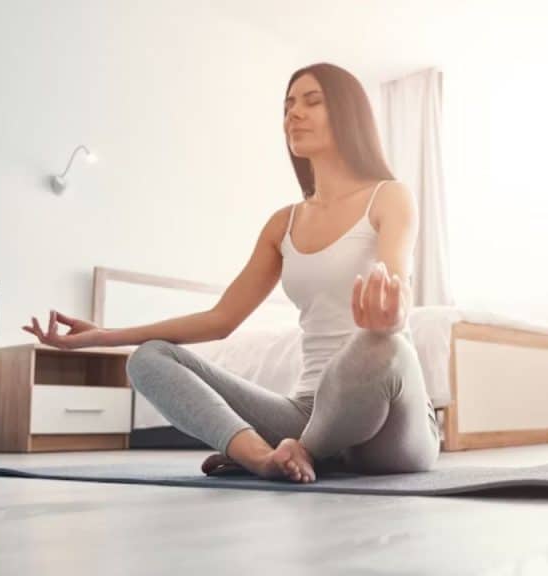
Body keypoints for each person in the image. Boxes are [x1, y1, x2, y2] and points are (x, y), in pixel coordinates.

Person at [22, 62, 440, 484]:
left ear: (350, 115)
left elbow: (395, 277)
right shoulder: (284, 224)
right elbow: (220, 320)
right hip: (307, 413)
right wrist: (103, 337)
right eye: (288, 105)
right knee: (148, 358)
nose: (293, 113)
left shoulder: (390, 197)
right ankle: (262, 457)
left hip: (389, 423)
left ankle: (306, 451)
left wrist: (392, 315)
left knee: (380, 346)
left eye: (312, 101)